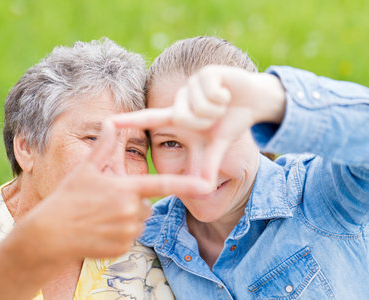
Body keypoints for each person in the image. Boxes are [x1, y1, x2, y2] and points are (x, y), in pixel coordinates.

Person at [0, 38, 209, 300]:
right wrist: (44, 242)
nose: (118, 169)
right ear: (27, 147)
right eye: (93, 139)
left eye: (134, 150)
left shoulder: (150, 261)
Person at [112, 36, 369, 299]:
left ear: (258, 127)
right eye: (170, 143)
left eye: (217, 138)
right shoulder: (146, 240)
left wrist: (274, 100)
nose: (199, 173)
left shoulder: (320, 196)